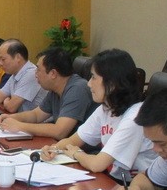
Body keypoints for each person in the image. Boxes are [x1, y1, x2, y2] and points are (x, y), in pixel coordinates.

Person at [40, 48, 155, 178]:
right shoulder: (106, 108)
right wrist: (53, 149)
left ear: (112, 83)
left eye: (94, 77)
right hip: (113, 179)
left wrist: (76, 153)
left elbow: (97, 165)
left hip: (135, 186)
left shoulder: (135, 118)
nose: (89, 84)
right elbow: (73, 140)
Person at [0, 47, 95, 139]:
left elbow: (60, 131)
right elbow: (36, 115)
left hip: (82, 150)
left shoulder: (77, 89)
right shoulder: (55, 89)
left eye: (38, 69)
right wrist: (11, 118)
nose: (35, 74)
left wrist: (19, 126)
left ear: (53, 73)